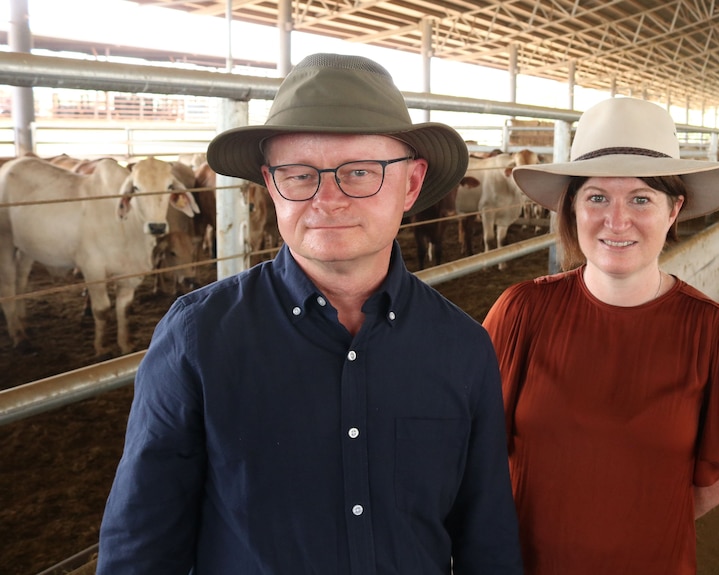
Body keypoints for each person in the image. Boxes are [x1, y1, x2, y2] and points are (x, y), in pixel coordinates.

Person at [96, 53, 523, 575]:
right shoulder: (198, 337)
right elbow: (141, 543)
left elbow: (488, 541)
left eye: (360, 173)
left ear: (411, 185)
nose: (327, 200)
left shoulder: (462, 347)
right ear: (270, 185)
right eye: (299, 175)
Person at [482, 97, 719, 575]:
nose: (617, 221)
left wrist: (631, 528)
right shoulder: (521, 313)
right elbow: (475, 447)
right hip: (527, 562)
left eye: (641, 198)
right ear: (572, 207)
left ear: (674, 209)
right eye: (597, 197)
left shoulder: (716, 333)